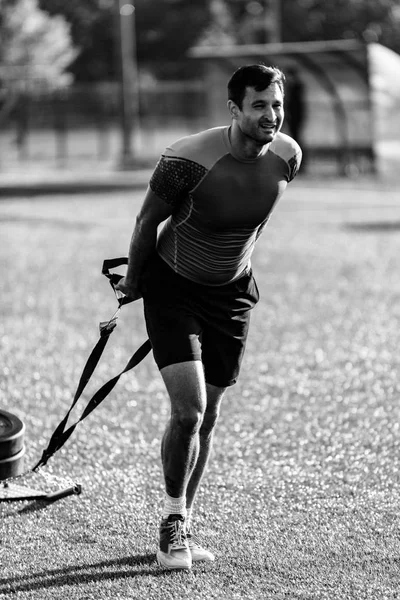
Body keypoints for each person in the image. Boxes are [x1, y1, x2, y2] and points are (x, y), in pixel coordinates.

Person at [116, 64, 302, 570]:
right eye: (259, 105)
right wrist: (134, 281)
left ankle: (185, 523)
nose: (271, 115)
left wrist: (233, 272)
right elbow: (147, 221)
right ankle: (172, 525)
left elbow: (250, 228)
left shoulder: (287, 156)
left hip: (232, 296)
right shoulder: (186, 158)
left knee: (211, 415)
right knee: (189, 411)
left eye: (277, 104)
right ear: (235, 109)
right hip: (173, 288)